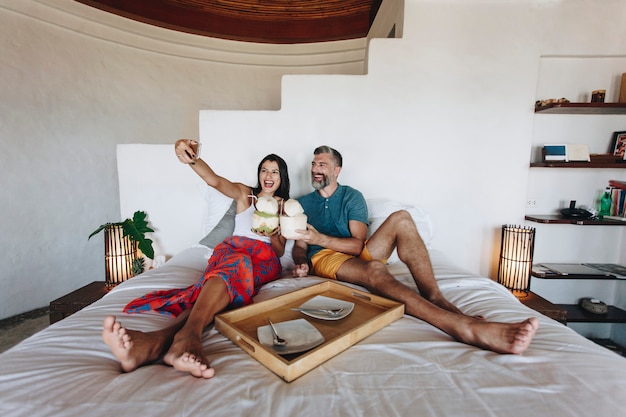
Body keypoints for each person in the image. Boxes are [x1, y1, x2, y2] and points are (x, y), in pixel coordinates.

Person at [291, 145, 539, 354]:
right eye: (314, 164)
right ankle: (462, 327)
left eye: (322, 164)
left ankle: (435, 296)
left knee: (401, 217)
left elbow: (358, 245)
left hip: (355, 251)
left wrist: (321, 237)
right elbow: (301, 245)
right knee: (375, 269)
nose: (315, 169)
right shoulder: (303, 203)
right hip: (326, 257)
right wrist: (301, 261)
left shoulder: (351, 196)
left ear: (337, 170)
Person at [102, 139, 290, 378]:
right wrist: (193, 160)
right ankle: (185, 336)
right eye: (264, 169)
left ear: (282, 176)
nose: (268, 175)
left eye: (274, 171)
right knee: (236, 262)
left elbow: (281, 250)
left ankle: (156, 341)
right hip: (233, 251)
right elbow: (215, 181)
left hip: (263, 261)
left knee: (237, 267)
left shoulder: (285, 207)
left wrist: (273, 235)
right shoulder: (246, 194)